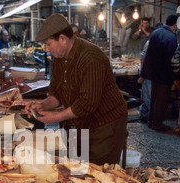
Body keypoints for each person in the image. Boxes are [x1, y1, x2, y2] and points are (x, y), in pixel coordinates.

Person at [24, 14, 128, 166]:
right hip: (77, 125)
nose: (46, 50)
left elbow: (87, 103)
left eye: (48, 44)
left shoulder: (91, 58)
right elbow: (57, 94)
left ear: (63, 39)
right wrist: (42, 105)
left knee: (97, 176)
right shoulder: (59, 57)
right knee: (74, 171)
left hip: (104, 125)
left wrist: (55, 117)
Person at [140, 15, 179, 132]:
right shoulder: (171, 37)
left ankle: (151, 121)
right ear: (175, 24)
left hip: (153, 73)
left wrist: (144, 73)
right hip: (164, 74)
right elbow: (171, 58)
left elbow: (148, 55)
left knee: (153, 99)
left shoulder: (155, 33)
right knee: (161, 100)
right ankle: (157, 123)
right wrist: (174, 76)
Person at [137, 23, 164, 123]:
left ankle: (147, 115)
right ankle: (146, 115)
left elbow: (144, 58)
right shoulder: (152, 42)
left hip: (151, 74)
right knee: (147, 95)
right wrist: (143, 74)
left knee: (148, 95)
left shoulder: (154, 42)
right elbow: (144, 58)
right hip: (149, 73)